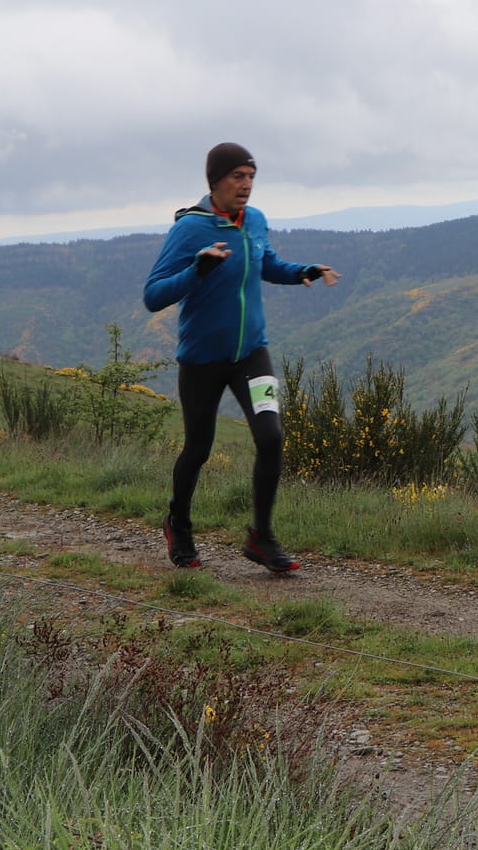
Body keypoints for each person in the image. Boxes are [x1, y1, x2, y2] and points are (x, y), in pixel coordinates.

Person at [143, 142, 339, 571]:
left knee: (271, 438)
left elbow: (265, 262)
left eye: (251, 176)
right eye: (237, 176)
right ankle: (178, 523)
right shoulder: (190, 230)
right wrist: (197, 269)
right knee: (198, 447)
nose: (246, 184)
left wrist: (301, 271)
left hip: (252, 353)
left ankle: (261, 538)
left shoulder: (255, 221)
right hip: (202, 359)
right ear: (215, 181)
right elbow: (152, 296)